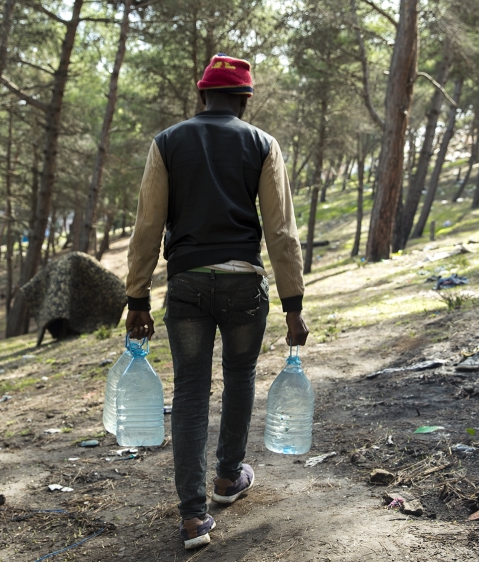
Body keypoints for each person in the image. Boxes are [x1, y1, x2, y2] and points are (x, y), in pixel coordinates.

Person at [124, 54, 309, 549]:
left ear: (202, 94)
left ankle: (192, 517)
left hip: (186, 284)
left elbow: (147, 225)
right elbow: (281, 231)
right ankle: (228, 478)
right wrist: (293, 304)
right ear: (245, 100)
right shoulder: (262, 144)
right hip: (243, 283)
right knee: (240, 376)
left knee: (189, 391)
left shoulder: (166, 143)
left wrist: (136, 296)